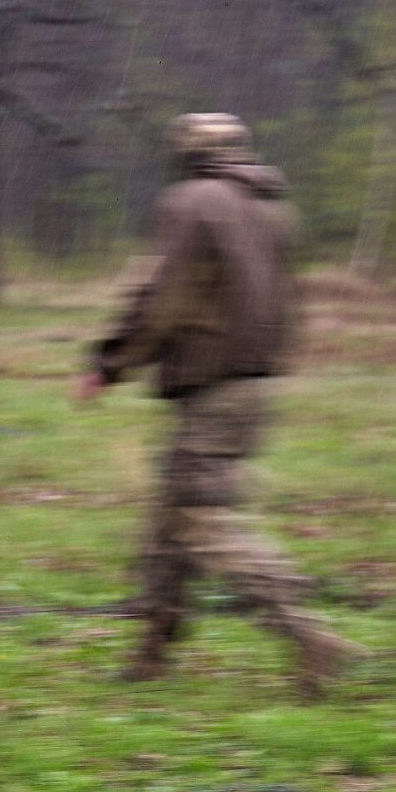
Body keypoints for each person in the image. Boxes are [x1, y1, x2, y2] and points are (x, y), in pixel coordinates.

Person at [77, 113, 363, 699]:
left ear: (184, 153)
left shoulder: (192, 203)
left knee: (202, 523)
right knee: (170, 522)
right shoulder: (274, 210)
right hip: (254, 385)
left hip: (212, 388)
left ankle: (310, 637)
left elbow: (163, 298)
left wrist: (111, 363)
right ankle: (152, 653)